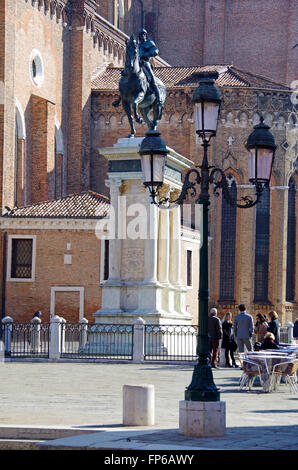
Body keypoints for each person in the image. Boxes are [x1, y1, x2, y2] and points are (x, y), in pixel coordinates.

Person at [138, 28, 161, 105]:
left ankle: (158, 97)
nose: (143, 36)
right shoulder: (138, 45)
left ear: (146, 35)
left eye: (144, 34)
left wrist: (146, 54)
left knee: (151, 77)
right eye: (141, 34)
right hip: (137, 63)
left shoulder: (149, 43)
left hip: (145, 62)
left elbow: (155, 51)